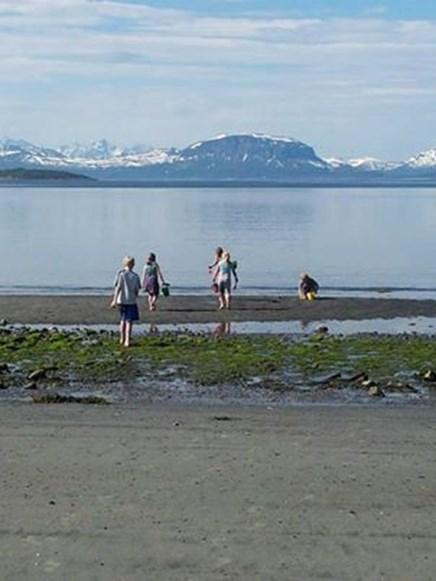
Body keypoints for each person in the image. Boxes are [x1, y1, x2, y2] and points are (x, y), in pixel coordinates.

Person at [111, 256, 141, 347]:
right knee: (129, 321)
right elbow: (137, 289)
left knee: (123, 319)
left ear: (123, 263)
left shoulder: (121, 274)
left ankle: (122, 338)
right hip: (131, 301)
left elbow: (118, 288)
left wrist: (114, 300)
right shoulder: (135, 276)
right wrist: (135, 296)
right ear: (133, 264)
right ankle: (127, 340)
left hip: (121, 300)